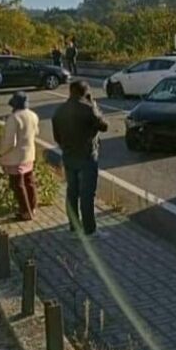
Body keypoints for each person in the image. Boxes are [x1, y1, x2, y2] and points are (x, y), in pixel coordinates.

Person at [52, 80, 109, 237]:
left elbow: (57, 137)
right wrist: (94, 105)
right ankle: (89, 229)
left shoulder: (60, 110)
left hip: (69, 156)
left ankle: (74, 228)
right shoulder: (88, 109)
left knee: (72, 192)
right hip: (87, 156)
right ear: (85, 92)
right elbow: (104, 126)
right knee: (87, 194)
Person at [0, 92, 41, 221]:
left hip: (15, 157)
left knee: (17, 185)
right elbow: (36, 132)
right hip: (29, 154)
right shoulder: (33, 115)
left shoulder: (14, 118)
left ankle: (25, 212)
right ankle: (32, 207)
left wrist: (0, 152)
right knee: (29, 182)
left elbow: (10, 142)